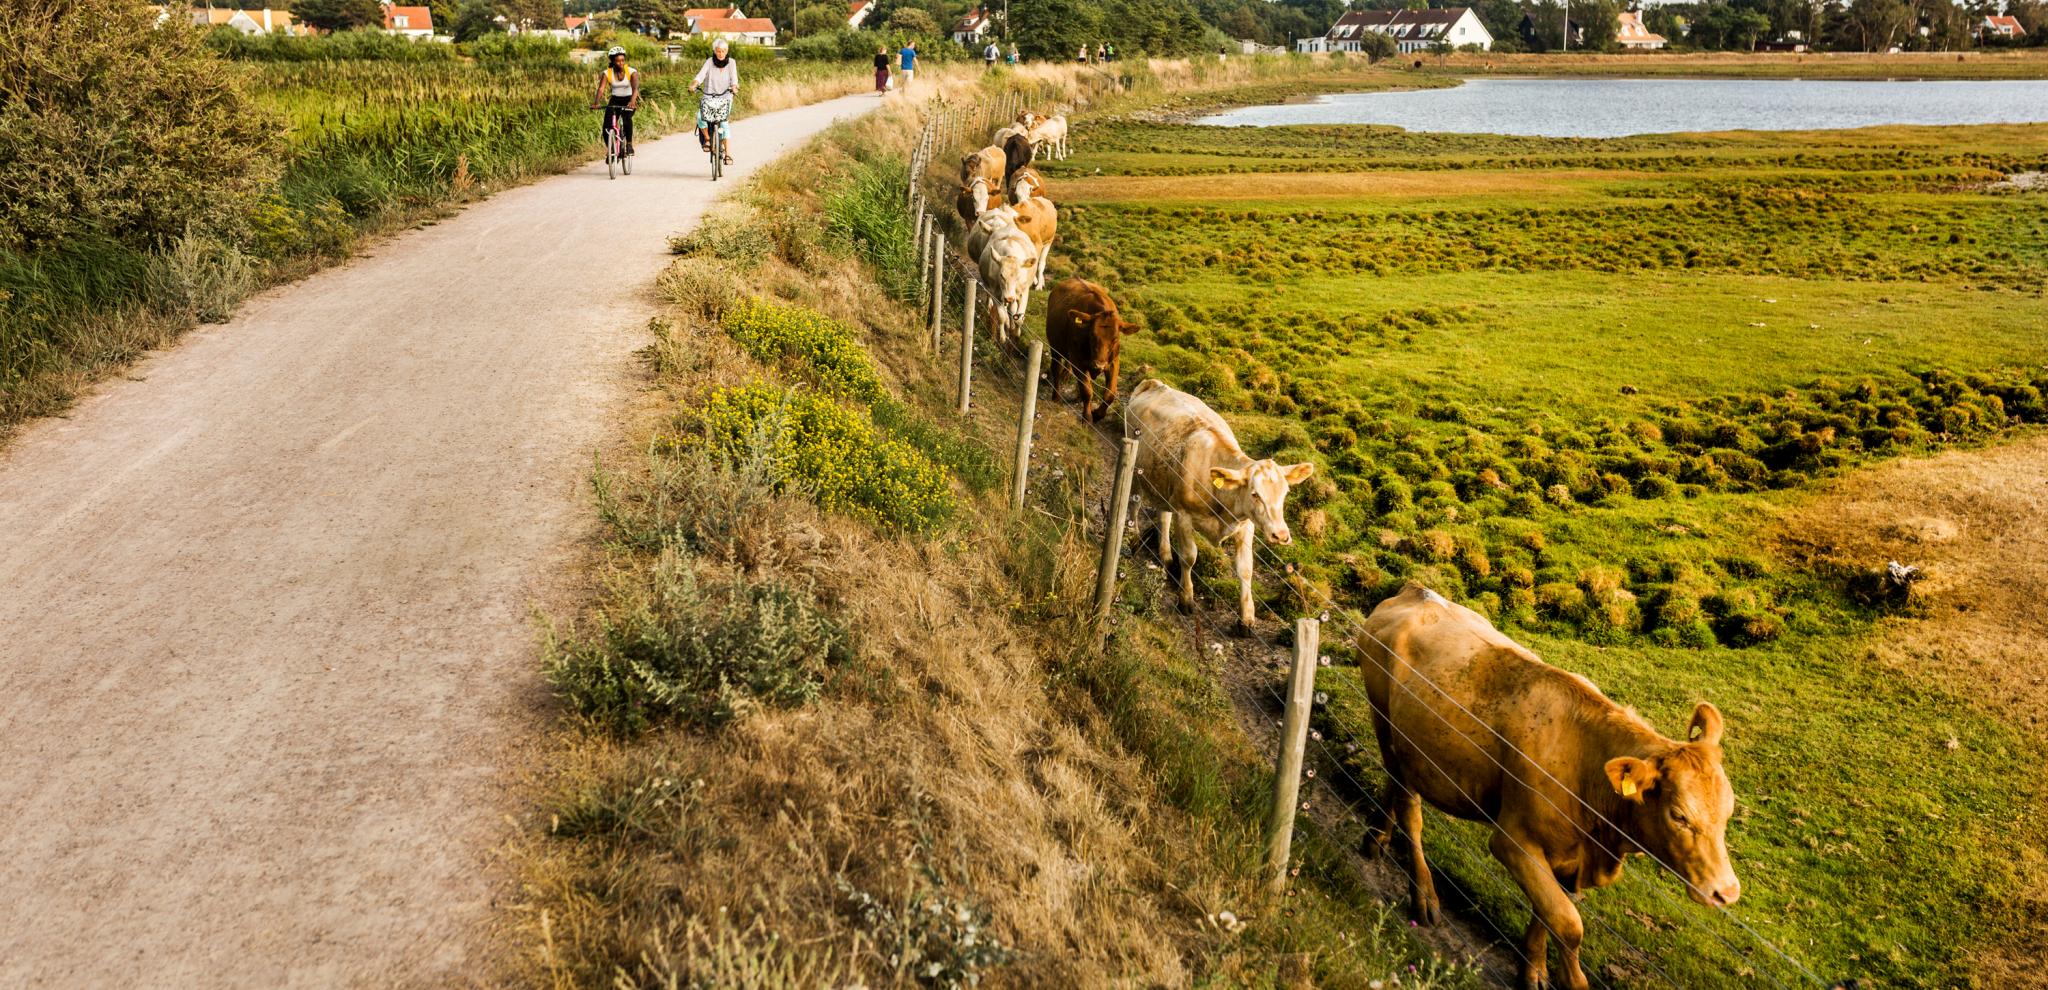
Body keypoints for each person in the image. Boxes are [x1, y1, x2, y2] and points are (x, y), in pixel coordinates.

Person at [690, 38, 739, 165]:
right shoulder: (709, 62)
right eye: (718, 51)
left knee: (723, 123)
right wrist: (694, 85)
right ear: (714, 51)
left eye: (723, 51)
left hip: (725, 97)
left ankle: (728, 154)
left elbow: (734, 80)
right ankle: (707, 140)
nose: (721, 54)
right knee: (700, 117)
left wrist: (734, 88)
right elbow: (700, 76)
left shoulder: (732, 63)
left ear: (727, 51)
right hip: (709, 97)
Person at [592, 45, 640, 157]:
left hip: (629, 99)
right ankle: (612, 150)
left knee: (627, 118)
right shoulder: (607, 73)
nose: (621, 63)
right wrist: (596, 102)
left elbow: (635, 89)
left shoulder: (632, 72)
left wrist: (632, 101)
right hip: (615, 100)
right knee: (606, 127)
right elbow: (601, 89)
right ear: (613, 61)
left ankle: (629, 144)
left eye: (623, 60)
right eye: (618, 61)